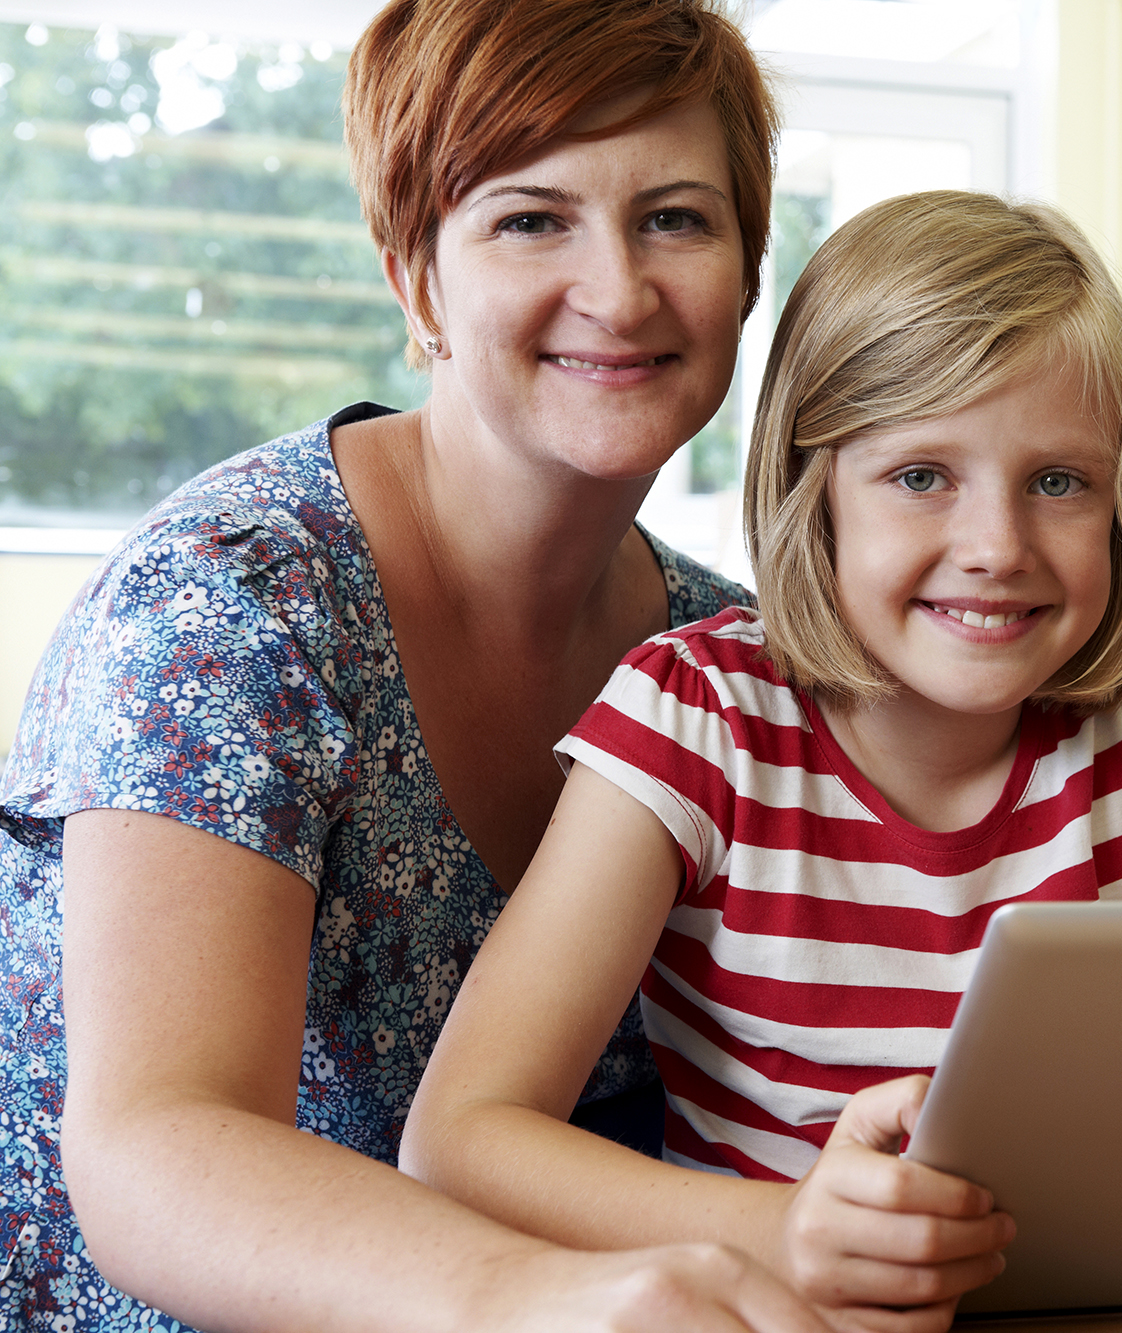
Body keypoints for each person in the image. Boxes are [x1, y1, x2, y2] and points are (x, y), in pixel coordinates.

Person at [399, 191, 1122, 1331]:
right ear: (814, 492)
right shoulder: (694, 714)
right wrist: (788, 1227)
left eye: (1058, 481)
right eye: (920, 476)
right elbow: (458, 1137)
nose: (996, 549)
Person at [0, 3, 833, 1330]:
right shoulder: (235, 600)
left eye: (676, 217)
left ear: (747, 269)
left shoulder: (734, 662)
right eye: (529, 219)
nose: (619, 291)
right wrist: (545, 1299)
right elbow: (156, 1144)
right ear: (416, 273)